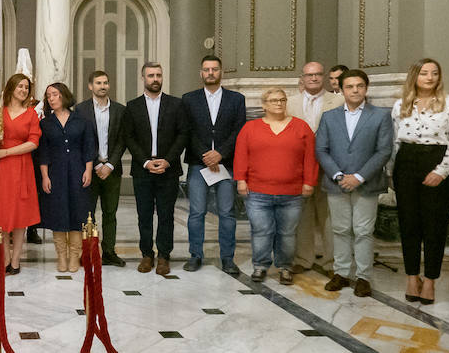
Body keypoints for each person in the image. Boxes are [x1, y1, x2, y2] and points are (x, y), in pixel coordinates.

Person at [390, 58, 449, 305]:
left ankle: (430, 280)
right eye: (424, 73)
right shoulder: (401, 105)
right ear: (415, 76)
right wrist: (393, 172)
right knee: (409, 224)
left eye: (434, 73)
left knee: (435, 227)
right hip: (406, 163)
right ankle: (412, 277)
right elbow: (395, 142)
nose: (430, 77)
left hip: (438, 161)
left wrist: (441, 171)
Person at [314, 68, 393, 297]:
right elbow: (321, 150)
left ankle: (363, 277)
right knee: (339, 229)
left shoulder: (380, 115)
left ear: (366, 88)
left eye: (359, 86)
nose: (355, 90)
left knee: (363, 231)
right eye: (350, 86)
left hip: (366, 183)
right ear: (342, 89)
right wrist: (338, 175)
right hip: (336, 182)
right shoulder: (330, 116)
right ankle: (341, 273)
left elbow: (383, 151)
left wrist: (358, 177)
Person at [234, 88, 317, 284]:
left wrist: (309, 182)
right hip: (258, 191)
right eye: (273, 100)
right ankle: (261, 266)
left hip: (292, 192)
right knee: (262, 231)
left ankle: (285, 267)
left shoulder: (301, 127)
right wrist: (240, 179)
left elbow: (310, 158)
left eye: (282, 100)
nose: (278, 103)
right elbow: (241, 155)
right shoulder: (250, 128)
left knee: (287, 233)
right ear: (264, 105)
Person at [181, 55, 246, 274]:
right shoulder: (188, 99)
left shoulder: (236, 99)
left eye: (214, 69)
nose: (210, 73)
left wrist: (220, 153)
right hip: (199, 165)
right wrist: (205, 154)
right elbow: (186, 131)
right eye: (206, 69)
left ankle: (227, 258)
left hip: (225, 163)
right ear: (201, 73)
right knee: (196, 212)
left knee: (227, 213)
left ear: (221, 72)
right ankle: (195, 255)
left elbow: (239, 130)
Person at [122, 61, 188, 276]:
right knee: (144, 214)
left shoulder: (176, 104)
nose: (155, 79)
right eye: (151, 75)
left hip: (168, 169)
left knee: (166, 215)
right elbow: (128, 137)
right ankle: (146, 255)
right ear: (143, 78)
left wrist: (167, 160)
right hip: (143, 169)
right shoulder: (132, 106)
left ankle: (164, 256)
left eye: (158, 75)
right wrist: (145, 161)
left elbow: (183, 134)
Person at [36, 83, 94, 273]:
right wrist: (44, 176)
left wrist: (88, 170)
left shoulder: (81, 120)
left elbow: (88, 148)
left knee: (78, 212)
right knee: (58, 212)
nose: (51, 98)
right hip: (55, 172)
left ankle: (74, 255)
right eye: (48, 95)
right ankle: (61, 255)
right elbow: (42, 152)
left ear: (64, 96)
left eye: (55, 94)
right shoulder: (45, 123)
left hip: (78, 171)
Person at [74, 70, 127, 266]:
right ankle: (88, 252)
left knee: (110, 213)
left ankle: (109, 252)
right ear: (90, 86)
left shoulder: (121, 110)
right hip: (90, 170)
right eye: (98, 83)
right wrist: (96, 164)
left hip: (112, 170)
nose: (102, 86)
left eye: (105, 82)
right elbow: (80, 141)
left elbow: (123, 140)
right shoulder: (80, 110)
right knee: (88, 214)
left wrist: (110, 165)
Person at [293, 61, 341, 273]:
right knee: (302, 214)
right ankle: (303, 259)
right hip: (299, 167)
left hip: (329, 166)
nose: (313, 78)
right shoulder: (290, 103)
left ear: (324, 77)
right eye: (309, 75)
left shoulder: (338, 101)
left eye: (318, 74)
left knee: (329, 215)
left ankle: (332, 262)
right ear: (302, 78)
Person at [0, 72, 40, 274]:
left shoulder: (31, 114)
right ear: (11, 88)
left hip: (21, 165)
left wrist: (6, 152)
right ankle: (5, 257)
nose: (23, 90)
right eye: (20, 86)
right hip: (1, 169)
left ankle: (16, 259)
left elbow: (33, 143)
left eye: (26, 87)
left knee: (20, 215)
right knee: (1, 213)